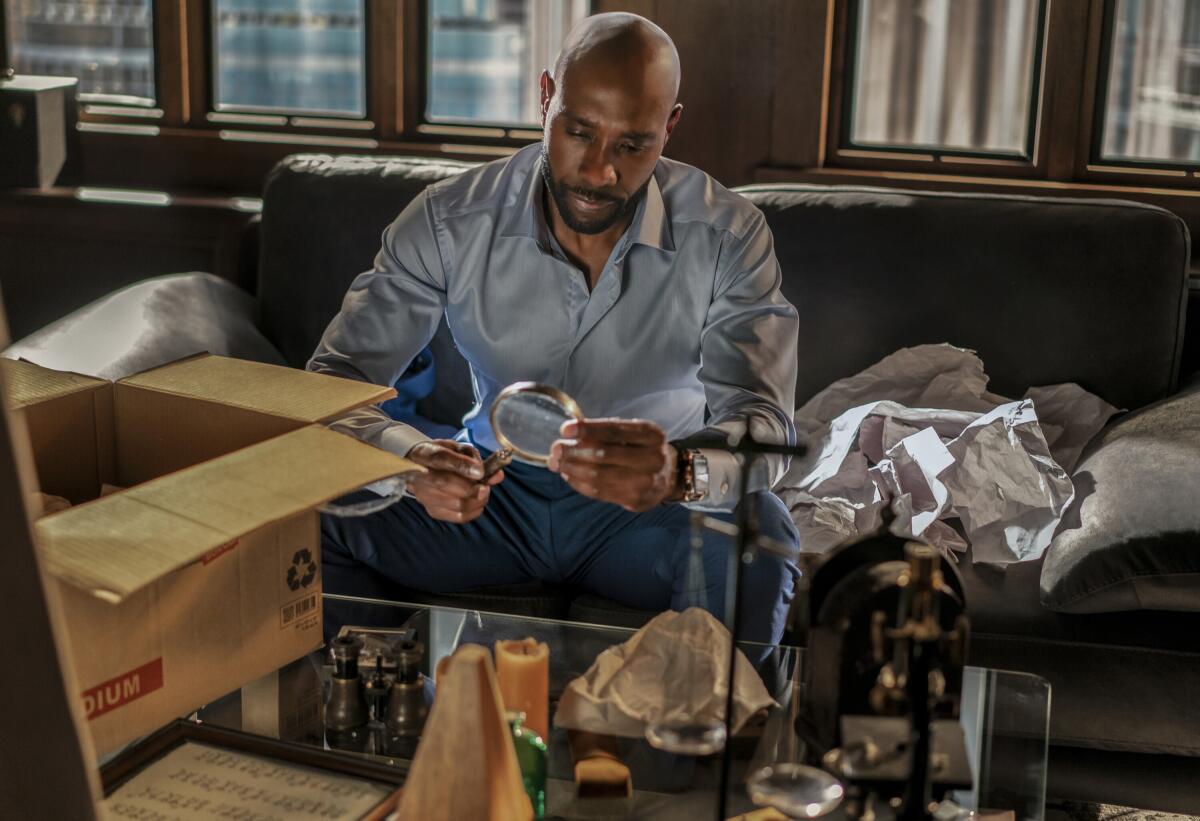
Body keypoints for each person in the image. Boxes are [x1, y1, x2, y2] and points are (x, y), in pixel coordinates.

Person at [309, 12, 800, 644]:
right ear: (545, 99)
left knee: (761, 536)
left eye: (633, 144)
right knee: (307, 512)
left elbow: (766, 422)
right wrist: (410, 462)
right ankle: (381, 714)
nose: (599, 172)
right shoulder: (448, 221)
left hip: (644, 511)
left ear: (670, 127)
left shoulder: (730, 236)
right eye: (579, 131)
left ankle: (698, 740)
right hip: (493, 497)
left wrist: (678, 472)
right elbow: (330, 387)